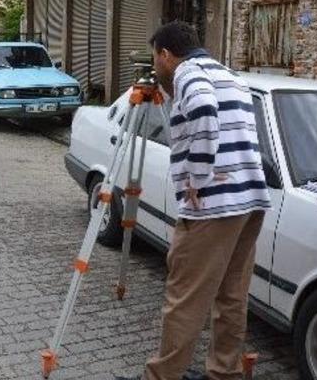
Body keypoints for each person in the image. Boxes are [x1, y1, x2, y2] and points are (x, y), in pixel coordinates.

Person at [116, 21, 270, 380]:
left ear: (166, 55)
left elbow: (202, 109)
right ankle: (224, 372)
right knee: (232, 296)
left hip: (214, 206)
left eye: (156, 59)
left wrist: (196, 178)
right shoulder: (229, 75)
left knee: (185, 297)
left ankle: (162, 377)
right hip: (249, 200)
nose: (155, 68)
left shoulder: (188, 72)